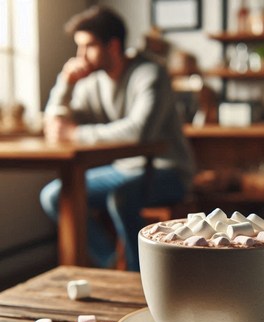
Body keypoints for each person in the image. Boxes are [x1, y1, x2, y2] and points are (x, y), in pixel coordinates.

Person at [40, 6, 195, 271]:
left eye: (88, 46)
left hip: (169, 171)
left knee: (120, 197)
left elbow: (139, 131)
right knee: (54, 195)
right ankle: (112, 262)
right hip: (123, 170)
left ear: (112, 46)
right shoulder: (92, 83)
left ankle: (138, 275)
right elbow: (56, 123)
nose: (80, 56)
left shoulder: (150, 73)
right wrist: (64, 82)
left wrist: (74, 134)